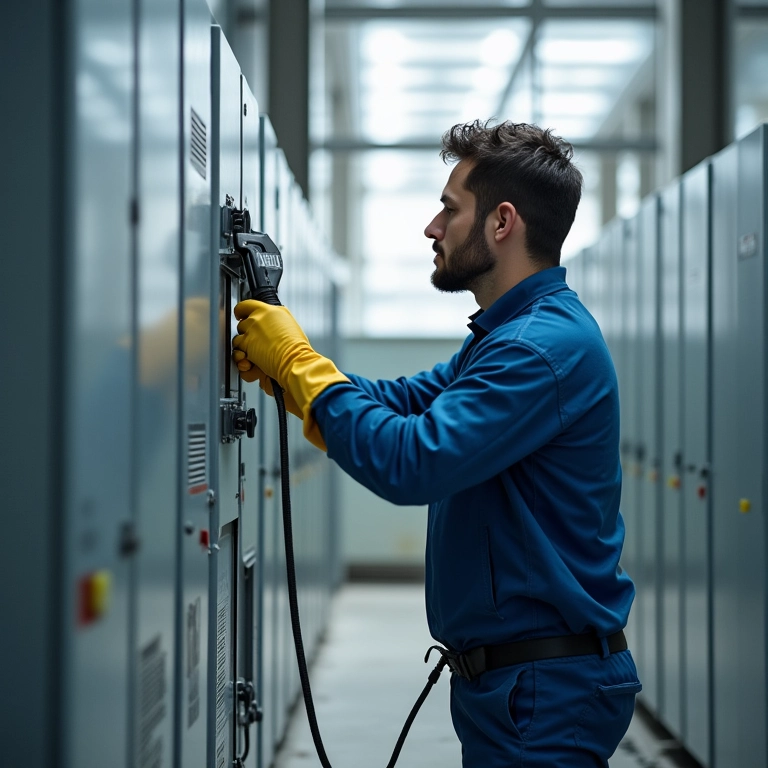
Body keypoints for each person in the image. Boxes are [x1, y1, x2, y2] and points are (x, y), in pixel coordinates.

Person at [231, 120, 639, 767]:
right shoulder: (507, 336)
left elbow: (410, 461)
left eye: (450, 209)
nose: (431, 227)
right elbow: (400, 402)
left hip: (544, 693)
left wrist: (300, 365)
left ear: (502, 223)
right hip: (516, 683)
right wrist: (291, 377)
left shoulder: (538, 348)